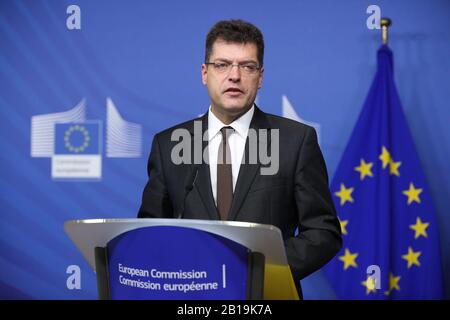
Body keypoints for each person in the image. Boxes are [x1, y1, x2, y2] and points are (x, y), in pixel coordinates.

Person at [138, 19, 342, 299]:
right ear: (204, 73)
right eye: (222, 65)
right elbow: (150, 234)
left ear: (260, 77)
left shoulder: (295, 141)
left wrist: (256, 270)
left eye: (247, 66)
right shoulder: (168, 144)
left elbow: (323, 232)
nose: (234, 76)